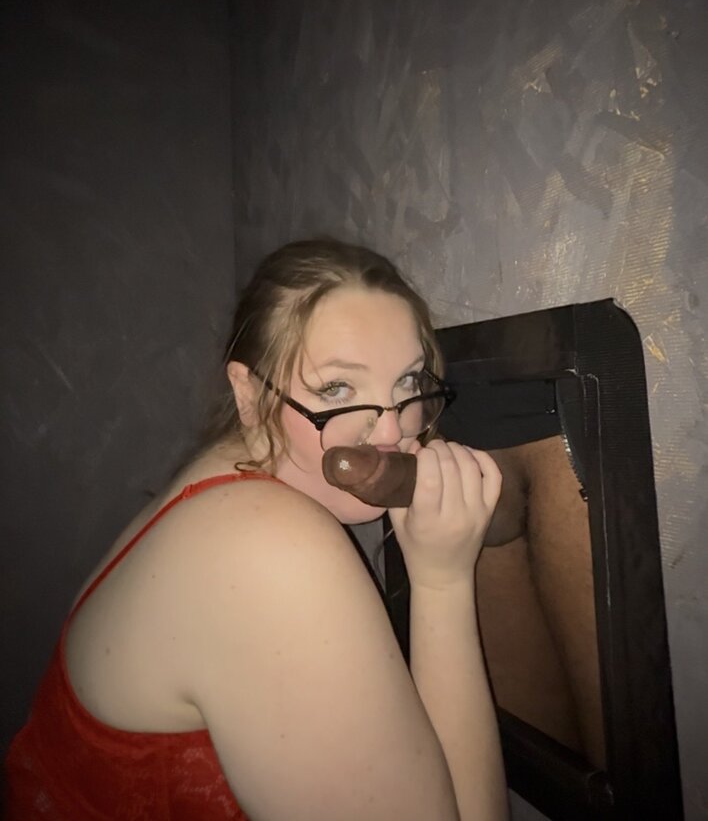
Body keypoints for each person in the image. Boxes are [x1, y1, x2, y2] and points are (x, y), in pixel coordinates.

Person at [4, 237, 509, 821]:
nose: (393, 431)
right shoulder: (267, 548)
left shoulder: (223, 476)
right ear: (248, 393)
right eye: (337, 388)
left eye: (408, 383)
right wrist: (444, 580)